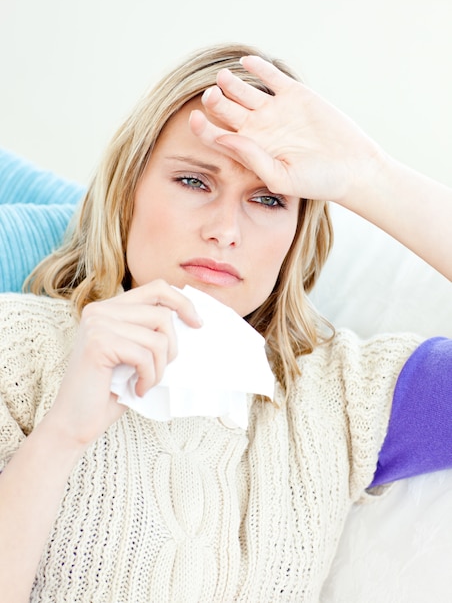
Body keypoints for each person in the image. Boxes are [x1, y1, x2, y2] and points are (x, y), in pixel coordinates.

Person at [0, 43, 450, 603]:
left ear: (295, 236)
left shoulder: (345, 397)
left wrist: (369, 175)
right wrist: (61, 435)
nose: (225, 229)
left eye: (267, 199)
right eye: (194, 181)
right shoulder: (14, 348)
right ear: (128, 191)